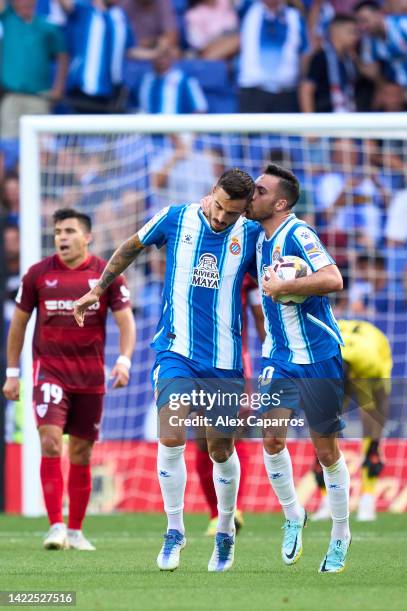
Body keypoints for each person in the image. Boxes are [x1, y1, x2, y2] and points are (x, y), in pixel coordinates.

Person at [73, 169, 259, 573]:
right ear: (212, 193)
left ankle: (225, 530)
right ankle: (174, 530)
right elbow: (131, 246)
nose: (221, 219)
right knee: (171, 432)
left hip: (224, 362)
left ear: (245, 210)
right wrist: (98, 287)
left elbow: (272, 285)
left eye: (232, 214)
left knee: (220, 449)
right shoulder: (175, 217)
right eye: (219, 208)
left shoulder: (253, 235)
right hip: (175, 351)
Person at [2, 208, 135, 551]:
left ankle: (75, 531)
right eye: (58, 231)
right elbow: (18, 324)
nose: (61, 236)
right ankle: (55, 526)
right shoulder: (37, 275)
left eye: (69, 230)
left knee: (81, 452)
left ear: (87, 237)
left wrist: (123, 361)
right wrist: (13, 373)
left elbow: (125, 322)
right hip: (50, 371)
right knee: (49, 442)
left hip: (90, 377)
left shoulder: (107, 276)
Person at [248, 163, 351, 574]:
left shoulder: (298, 233)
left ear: (280, 202)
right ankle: (294, 514)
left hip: (320, 356)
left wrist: (286, 286)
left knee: (326, 450)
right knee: (271, 438)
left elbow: (334, 278)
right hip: (279, 356)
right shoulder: (257, 234)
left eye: (259, 190)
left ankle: (341, 533)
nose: (251, 196)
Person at [197, 273, 265, 536]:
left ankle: (234, 509)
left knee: (235, 434)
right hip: (195, 360)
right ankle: (215, 514)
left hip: (235, 363)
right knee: (203, 439)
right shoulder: (193, 253)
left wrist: (273, 355)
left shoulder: (247, 267)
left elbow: (259, 317)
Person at [312, 319, 392, 522]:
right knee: (323, 432)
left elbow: (378, 409)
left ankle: (367, 500)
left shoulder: (369, 363)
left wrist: (375, 440)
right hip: (339, 350)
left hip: (374, 354)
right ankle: (325, 502)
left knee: (372, 430)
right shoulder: (318, 355)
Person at [58, 0, 159, 113]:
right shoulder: (84, 9)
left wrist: (155, 54)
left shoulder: (120, 16)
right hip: (84, 87)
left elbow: (129, 49)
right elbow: (65, 4)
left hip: (111, 90)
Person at [0, 0, 68, 139]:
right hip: (10, 97)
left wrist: (59, 88)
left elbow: (63, 55)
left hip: (39, 97)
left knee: (41, 146)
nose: (25, 3)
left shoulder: (47, 26)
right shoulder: (7, 20)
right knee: (8, 145)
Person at [238, 0, 309, 113]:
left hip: (286, 93)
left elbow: (304, 53)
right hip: (252, 91)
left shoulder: (295, 16)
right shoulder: (247, 8)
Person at [300, 14, 359, 113]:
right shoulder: (320, 57)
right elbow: (306, 90)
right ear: (335, 32)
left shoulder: (349, 60)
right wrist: (310, 123)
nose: (355, 37)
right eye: (351, 32)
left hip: (347, 116)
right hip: (325, 120)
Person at [138, 45, 208, 114]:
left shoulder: (185, 80)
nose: (161, 60)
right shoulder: (144, 80)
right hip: (147, 124)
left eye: (165, 56)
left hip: (175, 124)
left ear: (171, 59)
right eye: (158, 56)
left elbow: (200, 109)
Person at [354, 0, 407, 89]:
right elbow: (371, 70)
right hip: (398, 90)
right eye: (359, 23)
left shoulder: (404, 25)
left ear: (380, 14)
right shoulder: (368, 41)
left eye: (365, 20)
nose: (362, 27)